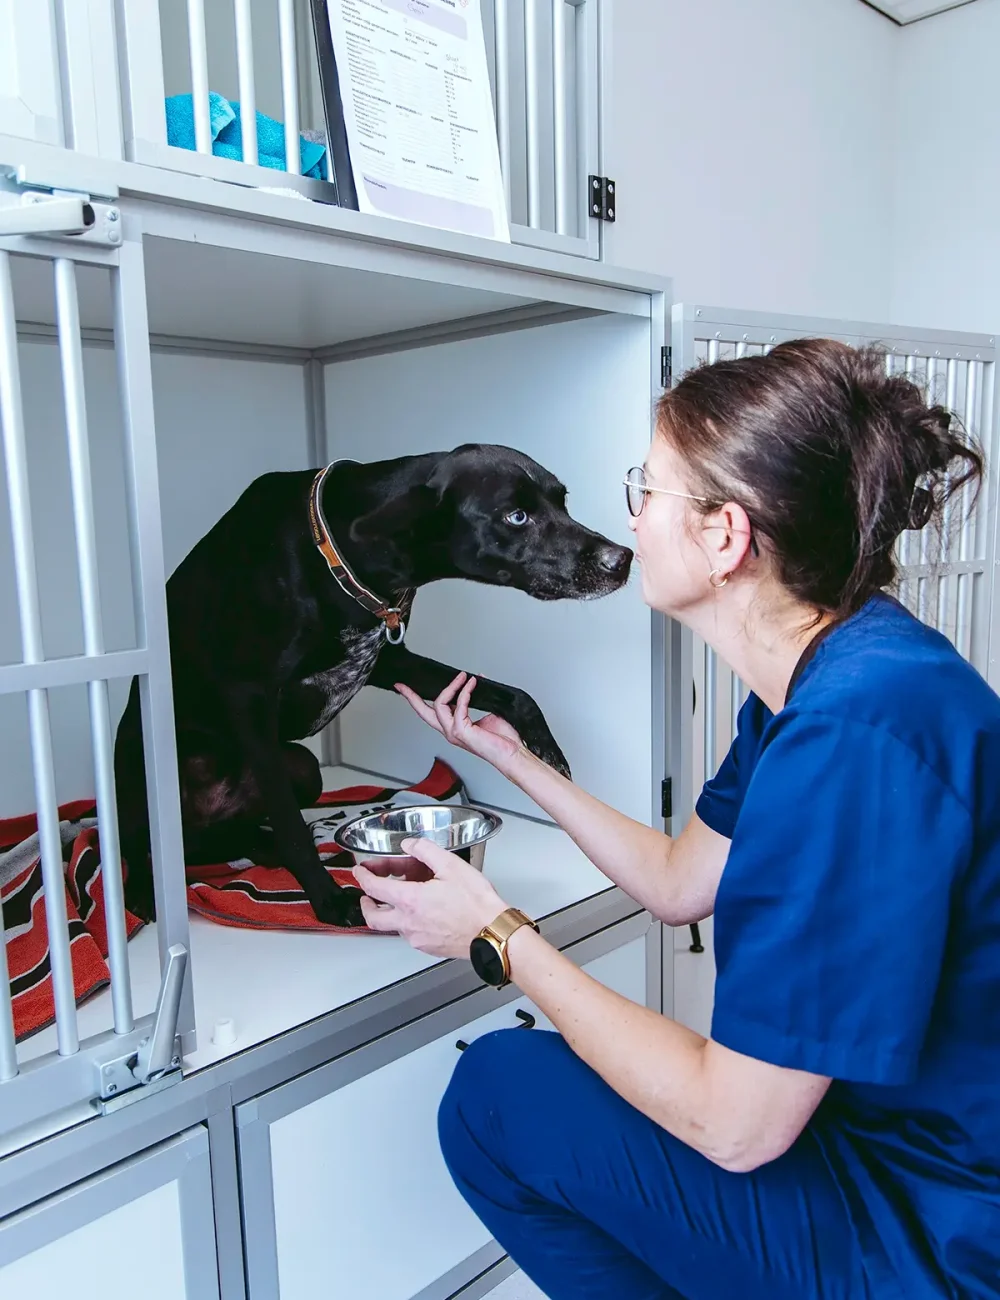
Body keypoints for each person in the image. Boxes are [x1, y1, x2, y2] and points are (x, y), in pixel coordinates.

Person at [352, 339, 1000, 1300]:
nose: (630, 519)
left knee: (498, 1096)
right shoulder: (838, 670)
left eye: (646, 490)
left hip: (933, 1231)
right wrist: (512, 759)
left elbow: (736, 1129)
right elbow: (677, 884)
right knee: (529, 1083)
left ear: (724, 537)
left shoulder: (850, 741)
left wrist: (495, 934)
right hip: (890, 1145)